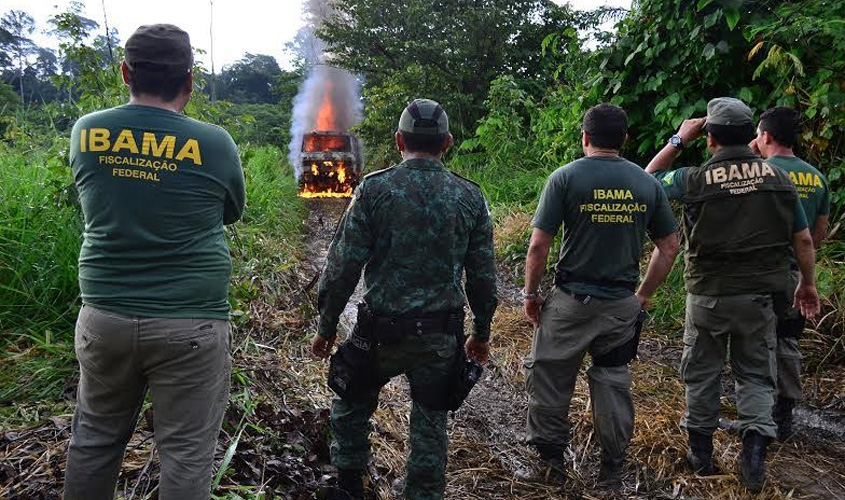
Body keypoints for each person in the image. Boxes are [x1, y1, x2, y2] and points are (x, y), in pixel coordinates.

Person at [64, 24, 245, 500]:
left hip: (105, 317)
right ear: (190, 79)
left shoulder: (88, 130)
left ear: (125, 72)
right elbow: (231, 211)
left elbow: (95, 199)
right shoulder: (215, 143)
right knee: (186, 453)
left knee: (95, 440)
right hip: (191, 323)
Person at [311, 98, 498, 500]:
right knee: (431, 423)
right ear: (447, 143)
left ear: (399, 140)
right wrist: (481, 333)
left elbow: (342, 266)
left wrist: (326, 328)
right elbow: (483, 277)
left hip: (378, 334)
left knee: (350, 403)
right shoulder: (469, 197)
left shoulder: (375, 190)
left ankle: (347, 488)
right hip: (439, 338)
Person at [645, 97, 820, 492]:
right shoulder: (779, 180)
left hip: (708, 294)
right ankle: (755, 450)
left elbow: (647, 180)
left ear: (709, 140)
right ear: (751, 137)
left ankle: (701, 453)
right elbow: (804, 238)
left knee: (702, 373)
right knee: (757, 374)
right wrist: (807, 283)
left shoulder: (694, 179)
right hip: (760, 297)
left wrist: (677, 138)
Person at [522, 104, 680, 490]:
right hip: (621, 306)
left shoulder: (565, 178)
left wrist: (531, 294)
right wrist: (643, 294)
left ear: (585, 138)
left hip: (572, 301)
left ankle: (551, 463)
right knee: (612, 383)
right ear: (624, 139)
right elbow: (670, 245)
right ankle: (611, 468)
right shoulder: (646, 183)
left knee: (549, 376)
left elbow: (539, 246)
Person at [751, 106, 830, 439]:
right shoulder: (816, 176)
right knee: (788, 341)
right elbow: (818, 234)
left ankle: (758, 414)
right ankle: (785, 413)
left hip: (760, 272)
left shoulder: (758, 172)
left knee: (758, 343)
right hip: (797, 275)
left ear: (765, 136)